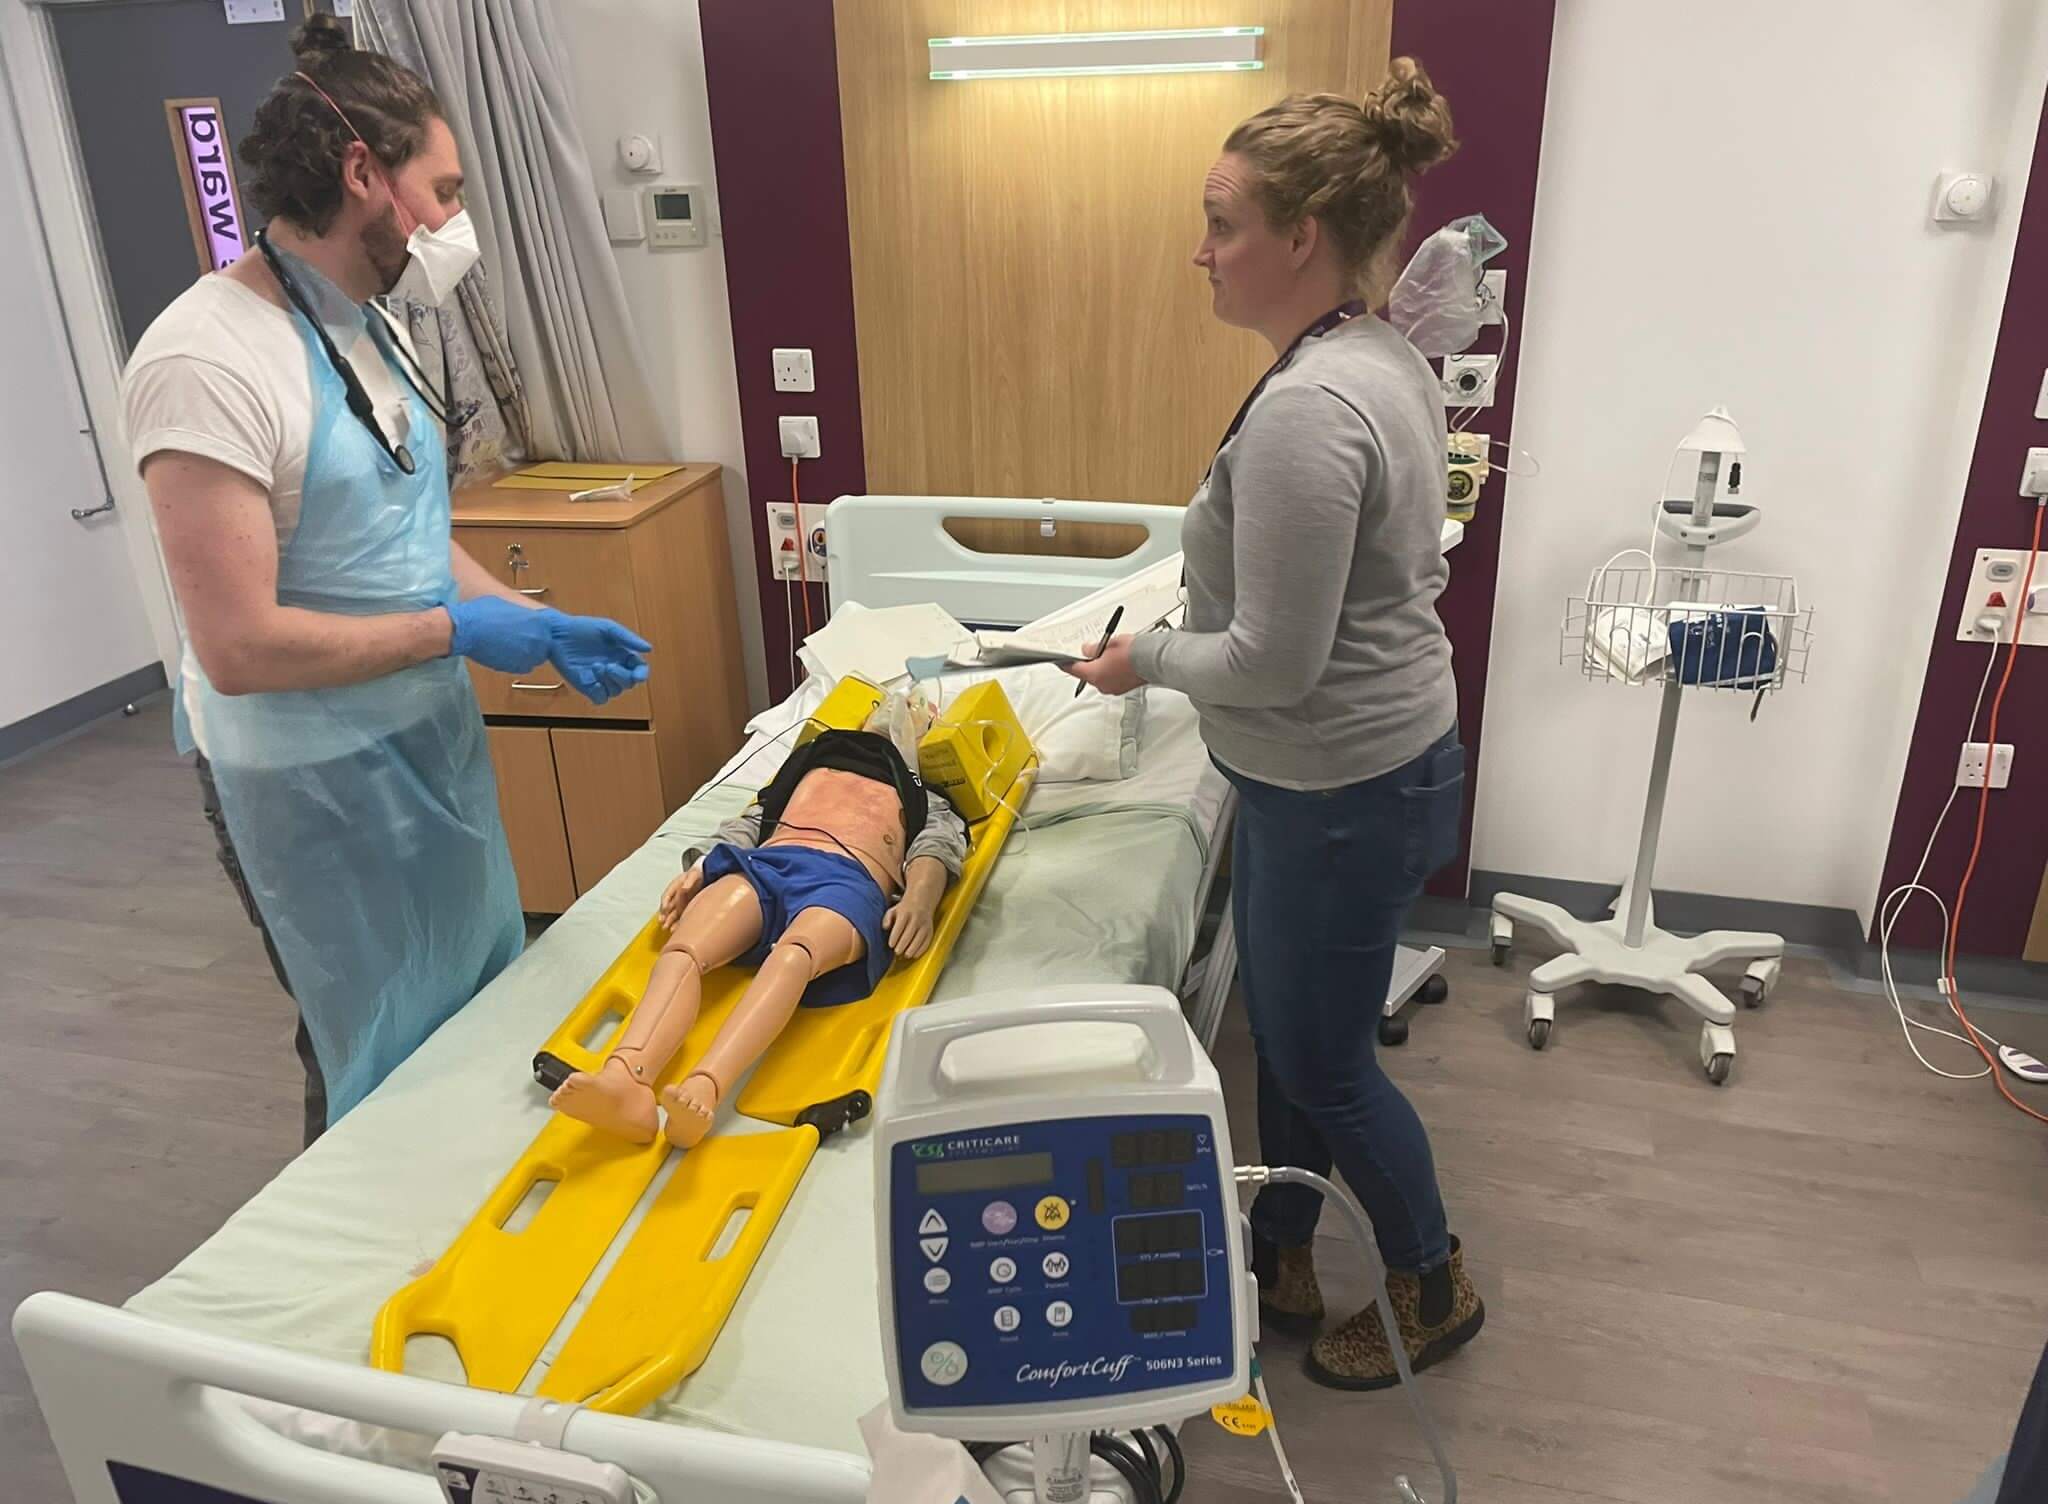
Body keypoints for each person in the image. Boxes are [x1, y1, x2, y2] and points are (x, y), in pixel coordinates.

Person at [122, 18, 652, 1145]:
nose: (455, 221)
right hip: (310, 786)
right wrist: (455, 631)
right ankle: (349, 1284)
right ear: (364, 170)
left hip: (426, 744)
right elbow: (241, 648)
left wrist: (528, 622)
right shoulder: (204, 362)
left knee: (471, 1012)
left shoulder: (373, 330)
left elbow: (405, 528)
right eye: (444, 189)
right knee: (367, 1049)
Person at [1067, 60, 1482, 1390]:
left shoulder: (1313, 407)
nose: (1201, 252)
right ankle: (1281, 1250)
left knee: (1321, 1060)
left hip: (1341, 783)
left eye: (1223, 221)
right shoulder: (1367, 351)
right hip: (1357, 770)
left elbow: (1273, 663)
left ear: (1301, 235)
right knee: (1301, 1035)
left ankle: (1433, 1282)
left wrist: (1147, 659)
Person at [546, 694, 965, 1148]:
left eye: (914, 709)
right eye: (888, 703)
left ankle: (706, 1086)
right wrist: (702, 866)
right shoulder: (806, 766)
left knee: (794, 954)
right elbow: (751, 821)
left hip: (847, 880)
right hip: (765, 864)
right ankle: (625, 1079)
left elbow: (936, 846)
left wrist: (919, 900)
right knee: (685, 948)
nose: (898, 710)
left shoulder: (923, 791)